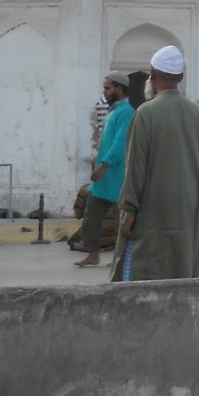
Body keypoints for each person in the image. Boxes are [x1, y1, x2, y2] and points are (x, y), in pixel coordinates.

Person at [111, 46, 199, 282]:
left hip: (151, 215)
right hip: (187, 214)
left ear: (152, 76)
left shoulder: (145, 113)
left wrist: (129, 211)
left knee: (142, 277)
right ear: (181, 78)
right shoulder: (197, 114)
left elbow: (135, 168)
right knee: (181, 273)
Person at [77, 71, 134, 267]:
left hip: (117, 175)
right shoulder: (112, 112)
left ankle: (120, 258)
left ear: (119, 89)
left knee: (121, 221)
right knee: (91, 217)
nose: (105, 91)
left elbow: (120, 144)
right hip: (103, 178)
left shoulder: (126, 112)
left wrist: (104, 165)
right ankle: (93, 253)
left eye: (108, 87)